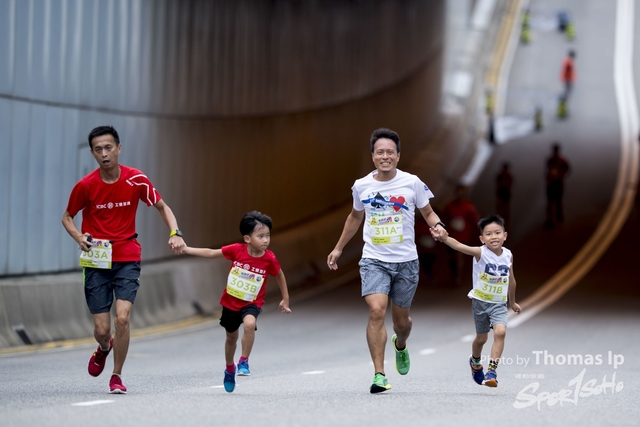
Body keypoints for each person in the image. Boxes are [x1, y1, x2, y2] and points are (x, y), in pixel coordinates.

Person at [62, 125, 186, 394]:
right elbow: (67, 217)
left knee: (123, 318)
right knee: (102, 329)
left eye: (109, 148)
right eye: (98, 150)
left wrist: (175, 233)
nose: (104, 154)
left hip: (128, 256)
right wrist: (78, 238)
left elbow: (162, 207)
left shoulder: (136, 179)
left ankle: (116, 375)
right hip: (97, 260)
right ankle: (104, 347)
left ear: (119, 148)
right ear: (93, 153)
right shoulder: (86, 186)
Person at [326, 128, 447, 393]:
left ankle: (400, 344)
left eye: (390, 152)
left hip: (406, 261)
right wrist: (338, 248)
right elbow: (355, 217)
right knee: (376, 310)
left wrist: (437, 226)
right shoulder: (362, 186)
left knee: (401, 323)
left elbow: (427, 211)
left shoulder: (412, 182)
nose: (385, 156)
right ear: (372, 156)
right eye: (380, 152)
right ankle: (379, 374)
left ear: (398, 155)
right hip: (374, 259)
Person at [180, 211, 291, 393]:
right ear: (247, 238)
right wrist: (186, 249)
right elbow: (211, 252)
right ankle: (229, 367)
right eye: (261, 236)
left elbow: (279, 275)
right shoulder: (236, 250)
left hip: (252, 303)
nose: (265, 240)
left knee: (250, 323)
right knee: (231, 338)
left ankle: (244, 361)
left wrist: (285, 299)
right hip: (231, 302)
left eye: (268, 236)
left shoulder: (269, 258)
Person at [434, 214, 521, 387]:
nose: (493, 237)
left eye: (497, 233)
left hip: (498, 304)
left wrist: (512, 302)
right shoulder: (480, 252)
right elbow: (459, 246)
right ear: (482, 239)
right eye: (488, 234)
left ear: (505, 235)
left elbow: (511, 279)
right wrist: (444, 238)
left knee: (500, 332)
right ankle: (475, 362)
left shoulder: (508, 255)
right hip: (480, 303)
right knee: (481, 339)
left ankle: (492, 372)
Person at [442, 185, 480, 286]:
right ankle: (454, 276)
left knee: (460, 256)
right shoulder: (449, 206)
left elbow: (475, 220)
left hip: (464, 236)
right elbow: (443, 218)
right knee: (452, 257)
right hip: (451, 236)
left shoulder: (469, 206)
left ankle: (459, 276)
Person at [545, 143, 571, 229]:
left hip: (557, 182)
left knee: (557, 201)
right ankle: (551, 219)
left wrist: (561, 174)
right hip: (552, 183)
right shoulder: (551, 160)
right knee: (551, 202)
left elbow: (567, 169)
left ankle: (557, 218)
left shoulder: (561, 161)